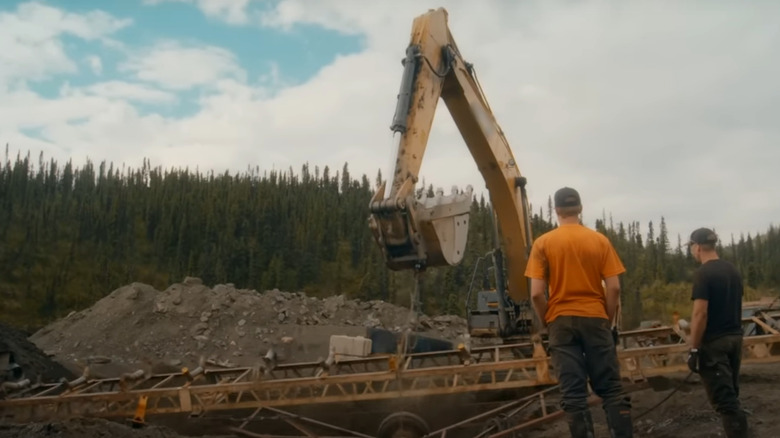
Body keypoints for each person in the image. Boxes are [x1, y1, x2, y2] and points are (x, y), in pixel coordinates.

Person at [525, 187, 633, 438]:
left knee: (573, 395)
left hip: (560, 321)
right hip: (596, 316)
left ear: (557, 210)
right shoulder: (599, 241)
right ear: (580, 209)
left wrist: (549, 321)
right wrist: (605, 319)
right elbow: (614, 287)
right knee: (612, 390)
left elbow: (536, 294)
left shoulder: (543, 243)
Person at [686, 227, 748, 438]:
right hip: (735, 339)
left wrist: (694, 348)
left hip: (714, 344)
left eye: (691, 246)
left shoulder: (703, 274)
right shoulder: (732, 270)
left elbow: (700, 314)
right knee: (732, 393)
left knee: (726, 402)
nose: (692, 250)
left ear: (698, 247)